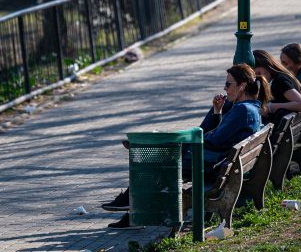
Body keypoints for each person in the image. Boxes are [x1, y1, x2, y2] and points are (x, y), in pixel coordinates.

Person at [104, 64, 271, 229]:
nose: (225, 88)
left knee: (156, 162)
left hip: (209, 166)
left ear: (242, 86)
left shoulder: (242, 110)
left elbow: (215, 139)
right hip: (220, 164)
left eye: (228, 84)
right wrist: (216, 112)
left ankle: (131, 202)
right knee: (159, 159)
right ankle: (132, 207)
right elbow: (216, 135)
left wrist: (193, 139)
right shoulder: (251, 108)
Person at [252, 50, 301, 125]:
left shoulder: (280, 81)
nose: (259, 78)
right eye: (255, 77)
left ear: (267, 65)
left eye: (259, 73)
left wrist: (271, 107)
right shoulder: (281, 77)